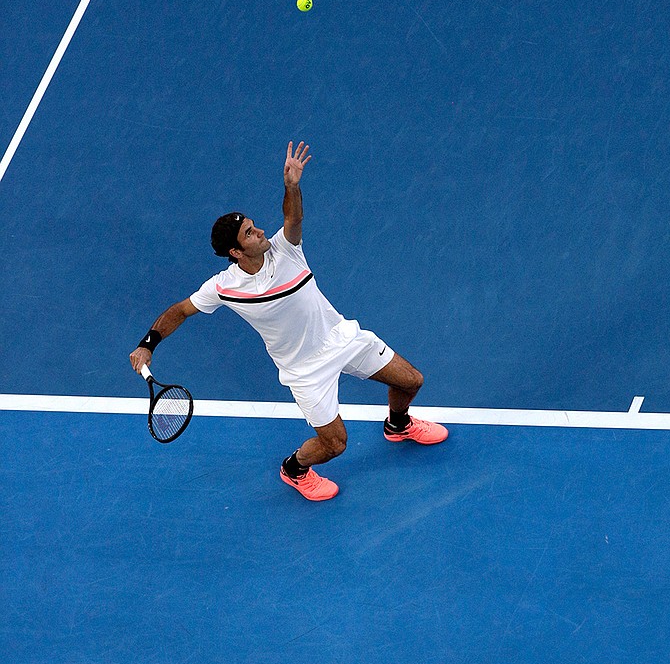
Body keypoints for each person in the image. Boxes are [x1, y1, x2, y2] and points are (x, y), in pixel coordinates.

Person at [129, 141, 448, 501]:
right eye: (249, 233)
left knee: (411, 381)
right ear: (235, 252)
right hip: (304, 370)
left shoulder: (285, 249)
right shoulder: (224, 287)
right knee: (335, 444)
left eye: (253, 226)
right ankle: (294, 469)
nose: (260, 232)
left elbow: (292, 218)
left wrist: (292, 186)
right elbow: (180, 310)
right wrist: (148, 343)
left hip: (341, 337)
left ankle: (398, 424)